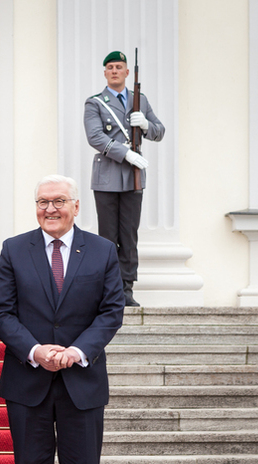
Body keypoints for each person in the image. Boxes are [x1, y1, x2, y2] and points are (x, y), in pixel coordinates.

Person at [0, 175, 123, 464]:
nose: (50, 208)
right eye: (43, 201)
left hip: (81, 382)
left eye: (59, 201)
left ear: (76, 206)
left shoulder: (102, 251)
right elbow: (3, 313)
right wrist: (34, 350)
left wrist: (77, 350)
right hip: (28, 382)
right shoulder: (14, 249)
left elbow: (111, 311)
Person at [83, 50, 165, 307]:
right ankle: (109, 291)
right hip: (108, 177)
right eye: (110, 67)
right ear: (105, 73)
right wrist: (126, 154)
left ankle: (126, 289)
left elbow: (159, 131)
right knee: (108, 237)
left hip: (133, 178)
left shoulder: (139, 100)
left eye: (119, 67)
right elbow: (95, 136)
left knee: (129, 235)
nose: (115, 71)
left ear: (128, 72)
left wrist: (145, 126)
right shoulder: (95, 102)